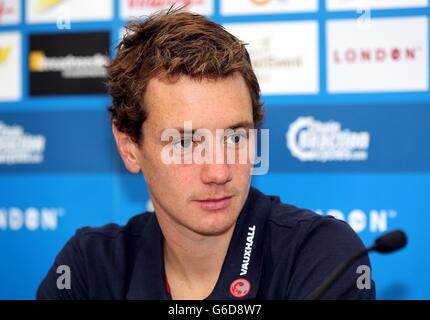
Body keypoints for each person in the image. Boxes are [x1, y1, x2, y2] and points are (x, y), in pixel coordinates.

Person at [37, 9, 375, 300]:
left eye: (235, 136)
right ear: (129, 146)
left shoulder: (321, 256)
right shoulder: (89, 268)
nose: (219, 171)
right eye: (184, 143)